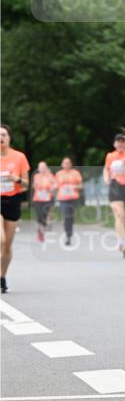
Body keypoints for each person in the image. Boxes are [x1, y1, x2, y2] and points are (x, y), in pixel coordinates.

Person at [0, 125, 30, 293]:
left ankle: (2, 277)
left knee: (7, 246)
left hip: (13, 200)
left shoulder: (19, 157)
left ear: (9, 138)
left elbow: (26, 184)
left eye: (4, 135)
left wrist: (16, 179)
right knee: (1, 239)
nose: (1, 138)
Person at [104, 133, 125, 256]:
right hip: (115, 186)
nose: (120, 143)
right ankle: (123, 241)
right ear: (115, 144)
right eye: (118, 141)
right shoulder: (110, 156)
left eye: (123, 141)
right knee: (119, 215)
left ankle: (124, 238)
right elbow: (106, 169)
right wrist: (106, 178)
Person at [55, 158, 83, 245]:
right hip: (62, 198)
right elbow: (55, 185)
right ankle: (68, 235)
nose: (66, 164)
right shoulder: (58, 174)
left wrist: (73, 187)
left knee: (70, 217)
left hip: (73, 197)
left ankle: (69, 231)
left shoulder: (75, 173)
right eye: (65, 163)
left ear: (71, 164)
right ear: (62, 164)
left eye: (68, 163)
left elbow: (81, 186)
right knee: (66, 216)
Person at [32, 161, 56, 243]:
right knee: (39, 216)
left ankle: (41, 232)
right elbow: (34, 186)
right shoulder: (36, 176)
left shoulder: (50, 176)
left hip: (47, 199)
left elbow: (54, 185)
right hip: (37, 199)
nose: (42, 168)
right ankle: (40, 232)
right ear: (38, 169)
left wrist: (51, 186)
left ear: (46, 168)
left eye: (43, 167)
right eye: (40, 167)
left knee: (44, 216)